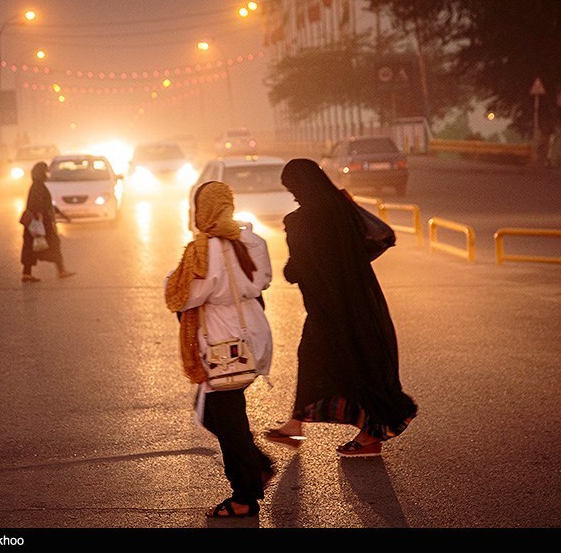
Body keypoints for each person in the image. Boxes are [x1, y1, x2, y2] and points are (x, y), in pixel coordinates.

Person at [264, 158, 417, 458]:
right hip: (361, 301)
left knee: (325, 360)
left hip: (328, 309)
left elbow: (296, 270)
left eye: (292, 187)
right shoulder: (342, 210)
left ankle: (375, 427)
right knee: (358, 362)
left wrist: (290, 269)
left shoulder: (301, 221)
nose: (293, 194)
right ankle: (310, 425)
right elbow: (373, 241)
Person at [165, 181, 274, 518]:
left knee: (225, 416)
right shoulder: (252, 239)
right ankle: (255, 465)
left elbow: (186, 296)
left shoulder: (204, 249)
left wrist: (175, 274)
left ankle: (245, 495)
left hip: (222, 343)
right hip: (251, 334)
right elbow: (262, 281)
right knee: (218, 412)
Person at [20, 161, 75, 282]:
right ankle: (61, 270)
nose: (47, 173)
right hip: (41, 224)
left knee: (30, 248)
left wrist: (61, 214)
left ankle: (27, 274)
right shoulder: (38, 187)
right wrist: (40, 217)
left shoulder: (37, 185)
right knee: (54, 244)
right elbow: (38, 205)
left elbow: (47, 205)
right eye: (45, 171)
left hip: (34, 225)